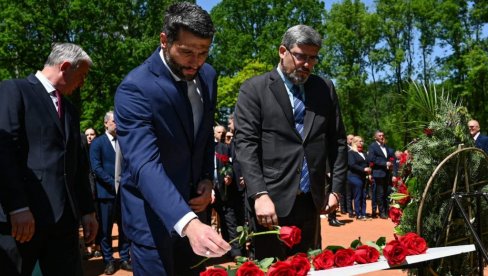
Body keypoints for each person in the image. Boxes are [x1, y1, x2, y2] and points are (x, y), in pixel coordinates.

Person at [114, 3, 230, 275]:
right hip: (152, 222)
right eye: (187, 51)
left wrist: (205, 178)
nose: (196, 62)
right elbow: (143, 164)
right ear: (164, 40)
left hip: (197, 215)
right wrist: (187, 222)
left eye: (204, 52)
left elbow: (202, 138)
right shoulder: (135, 88)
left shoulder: (209, 76)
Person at [234, 24, 348, 260]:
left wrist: (336, 190)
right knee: (272, 268)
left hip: (311, 202)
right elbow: (246, 145)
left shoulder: (324, 89)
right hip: (270, 204)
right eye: (301, 56)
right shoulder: (254, 89)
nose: (307, 64)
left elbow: (337, 141)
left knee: (307, 266)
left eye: (313, 58)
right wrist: (259, 194)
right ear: (282, 51)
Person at [0, 42, 98, 275]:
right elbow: (4, 151)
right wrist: (17, 207)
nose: (83, 83)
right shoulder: (15, 90)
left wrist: (87, 210)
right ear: (65, 66)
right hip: (24, 220)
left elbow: (78, 164)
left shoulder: (71, 110)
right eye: (81, 75)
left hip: (64, 222)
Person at [89, 111, 131, 274]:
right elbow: (96, 168)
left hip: (123, 194)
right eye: (114, 121)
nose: (117, 123)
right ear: (106, 123)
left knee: (125, 228)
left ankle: (124, 258)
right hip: (105, 194)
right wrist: (114, 183)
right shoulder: (98, 143)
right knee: (105, 230)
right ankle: (108, 260)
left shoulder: (124, 142)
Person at [212, 125, 245, 259]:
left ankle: (234, 252)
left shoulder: (224, 148)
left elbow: (229, 166)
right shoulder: (205, 149)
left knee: (229, 221)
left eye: (223, 132)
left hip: (223, 191)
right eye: (219, 132)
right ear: (214, 133)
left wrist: (229, 175)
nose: (221, 134)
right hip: (207, 191)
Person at [367, 130, 395, 219]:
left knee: (387, 192)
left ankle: (387, 211)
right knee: (380, 193)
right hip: (378, 173)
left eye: (382, 135)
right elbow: (372, 159)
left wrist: (390, 165)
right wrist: (385, 164)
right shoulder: (372, 146)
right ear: (375, 137)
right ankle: (382, 212)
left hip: (386, 173)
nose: (382, 137)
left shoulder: (386, 147)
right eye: (379, 136)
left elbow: (390, 158)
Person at [348, 136, 371, 221]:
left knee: (364, 195)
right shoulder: (351, 153)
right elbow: (352, 164)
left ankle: (363, 213)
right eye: (360, 141)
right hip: (354, 176)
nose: (361, 143)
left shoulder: (364, 153)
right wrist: (363, 169)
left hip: (363, 177)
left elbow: (368, 164)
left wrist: (369, 170)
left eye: (362, 141)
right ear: (355, 142)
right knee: (358, 195)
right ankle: (358, 214)